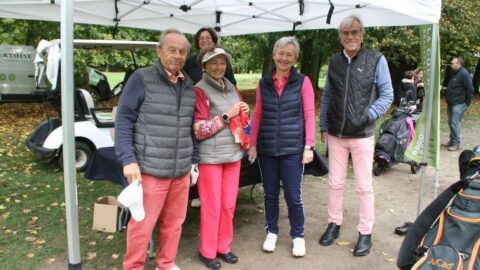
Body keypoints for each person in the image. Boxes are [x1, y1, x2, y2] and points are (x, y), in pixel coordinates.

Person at [115, 28, 196, 270]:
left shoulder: (189, 84)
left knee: (174, 222)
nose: (177, 55)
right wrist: (128, 159)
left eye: (182, 51)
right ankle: (133, 267)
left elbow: (189, 128)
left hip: (180, 171)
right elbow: (123, 120)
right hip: (149, 169)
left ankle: (166, 263)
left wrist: (193, 162)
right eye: (172, 50)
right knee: (142, 224)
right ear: (159, 51)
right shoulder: (142, 78)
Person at [318, 15, 393, 256]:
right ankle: (333, 223)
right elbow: (328, 95)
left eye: (354, 32)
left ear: (362, 35)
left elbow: (387, 95)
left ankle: (365, 232)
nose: (350, 37)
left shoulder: (376, 59)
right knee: (335, 183)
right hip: (337, 134)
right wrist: (323, 125)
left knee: (364, 186)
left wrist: (368, 115)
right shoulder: (334, 61)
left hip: (362, 134)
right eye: (345, 33)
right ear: (340, 36)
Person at [248, 36, 316, 257]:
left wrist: (309, 146)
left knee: (293, 196)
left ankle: (298, 236)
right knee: (269, 194)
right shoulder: (263, 82)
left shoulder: (303, 82)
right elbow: (257, 114)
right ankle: (272, 232)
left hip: (293, 149)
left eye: (289, 54)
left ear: (295, 58)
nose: (284, 58)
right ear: (274, 55)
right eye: (281, 53)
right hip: (267, 148)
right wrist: (253, 143)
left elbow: (308, 114)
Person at [193, 45, 250, 269]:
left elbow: (240, 119)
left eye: (222, 62)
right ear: (205, 66)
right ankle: (207, 251)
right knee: (212, 206)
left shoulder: (231, 87)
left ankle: (223, 247)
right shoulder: (199, 90)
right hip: (211, 157)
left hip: (233, 154)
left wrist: (243, 110)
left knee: (228, 205)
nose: (219, 67)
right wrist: (227, 115)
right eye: (214, 62)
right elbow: (199, 130)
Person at [444, 56, 474, 151]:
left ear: (459, 64)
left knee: (455, 122)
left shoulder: (464, 73)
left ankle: (456, 143)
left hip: (459, 103)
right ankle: (452, 140)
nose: (451, 65)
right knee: (450, 122)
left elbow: (470, 89)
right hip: (452, 102)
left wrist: (467, 102)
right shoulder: (454, 73)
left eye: (453, 63)